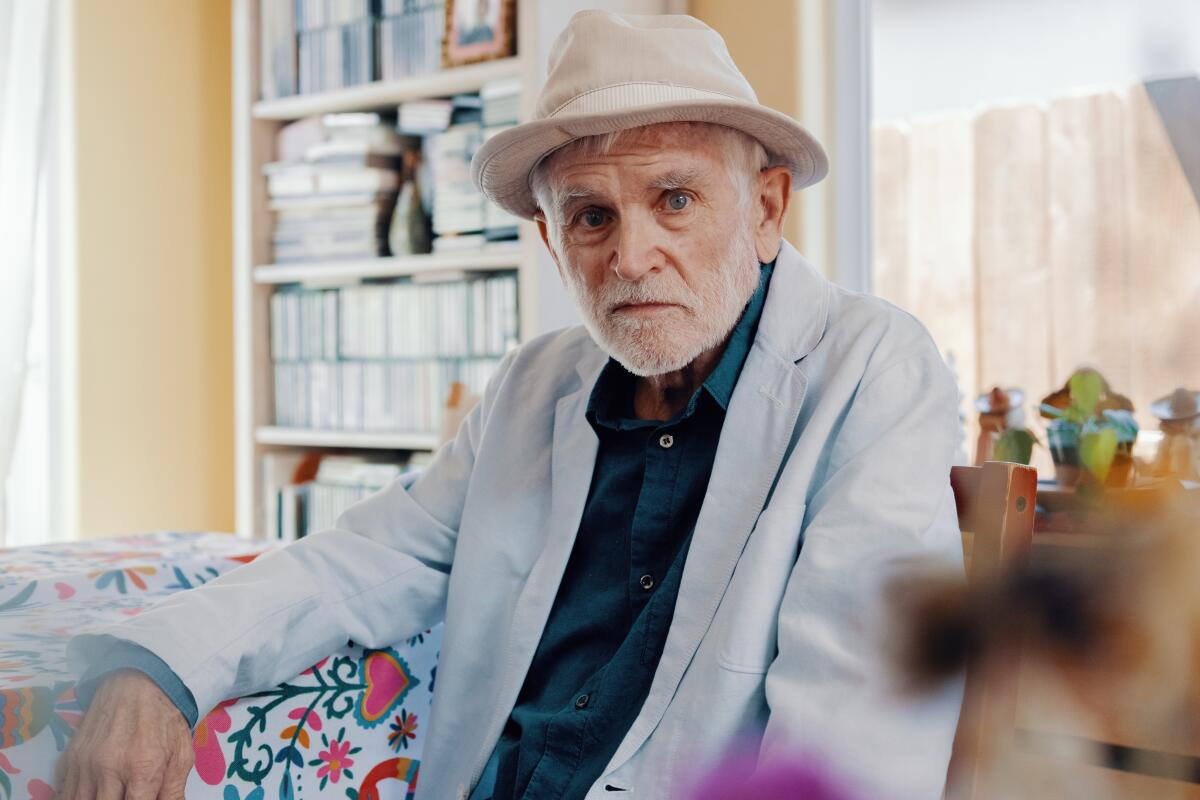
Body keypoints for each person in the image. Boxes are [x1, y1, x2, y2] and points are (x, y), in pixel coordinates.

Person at [58, 11, 965, 800]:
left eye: (675, 199)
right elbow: (362, 560)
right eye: (590, 215)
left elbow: (854, 741)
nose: (632, 255)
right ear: (549, 238)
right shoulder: (534, 386)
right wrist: (160, 666)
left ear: (767, 209)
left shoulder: (869, 372)